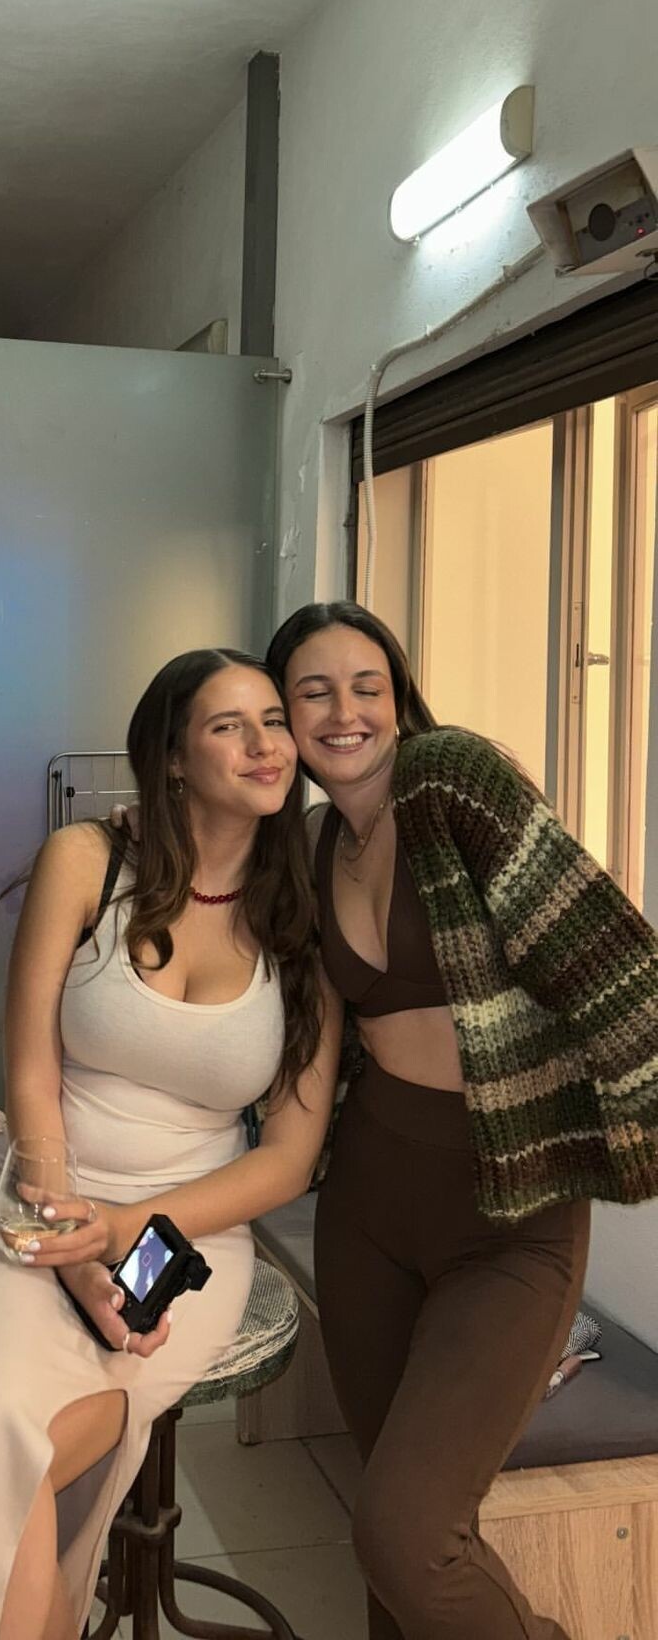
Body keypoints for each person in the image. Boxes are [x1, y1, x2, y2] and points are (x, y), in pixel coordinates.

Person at [0, 648, 343, 1640]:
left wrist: (125, 1229)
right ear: (173, 756)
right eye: (229, 725)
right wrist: (68, 1235)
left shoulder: (303, 918)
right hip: (30, 1195)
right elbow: (29, 1070)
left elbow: (286, 1158)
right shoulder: (87, 861)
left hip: (185, 1230)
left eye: (274, 720)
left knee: (13, 1451)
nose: (265, 744)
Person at [265, 598, 658, 1640]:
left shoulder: (452, 780)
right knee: (392, 1541)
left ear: (398, 698)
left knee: (407, 1535)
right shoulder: (309, 845)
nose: (344, 712)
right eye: (313, 692)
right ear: (285, 716)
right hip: (367, 1208)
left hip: (509, 1218)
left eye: (367, 686)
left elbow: (609, 961)